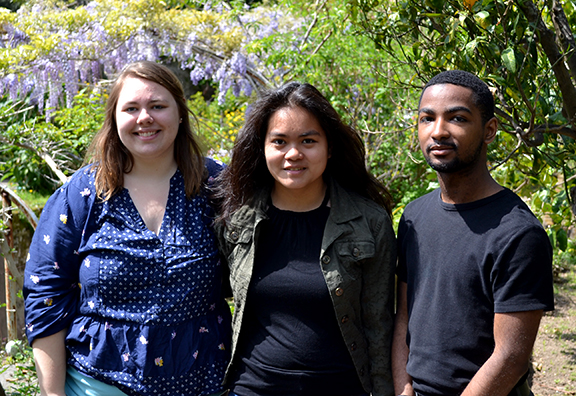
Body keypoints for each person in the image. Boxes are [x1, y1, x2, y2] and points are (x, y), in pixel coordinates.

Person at [23, 61, 231, 396]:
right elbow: (45, 292)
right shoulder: (83, 193)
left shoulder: (215, 186)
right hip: (99, 383)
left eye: (158, 106)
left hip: (201, 381)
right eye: (131, 108)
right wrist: (52, 393)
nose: (145, 117)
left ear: (180, 114)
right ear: (115, 120)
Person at [214, 82, 396, 396]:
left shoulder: (369, 222)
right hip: (254, 388)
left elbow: (378, 327)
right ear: (263, 147)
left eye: (308, 141)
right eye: (279, 142)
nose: (293, 154)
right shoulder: (238, 220)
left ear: (330, 147)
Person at [392, 70, 555, 396]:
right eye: (427, 119)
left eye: (457, 118)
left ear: (489, 130)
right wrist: (403, 388)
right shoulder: (414, 216)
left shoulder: (519, 234)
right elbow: (404, 318)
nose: (438, 131)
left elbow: (511, 357)